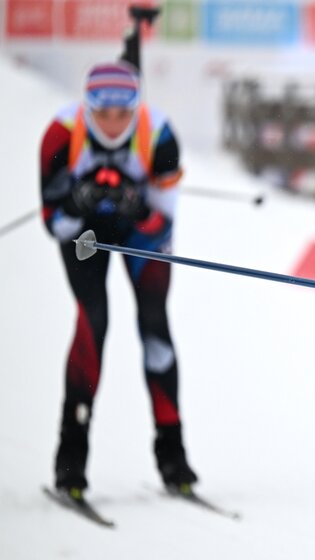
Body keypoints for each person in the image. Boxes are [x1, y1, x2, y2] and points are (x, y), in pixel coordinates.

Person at [39, 61, 198, 497]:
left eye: (123, 113)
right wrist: (76, 201)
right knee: (93, 321)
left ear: (136, 107)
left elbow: (162, 226)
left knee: (154, 325)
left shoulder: (160, 136)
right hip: (84, 235)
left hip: (138, 233)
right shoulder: (60, 134)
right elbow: (54, 224)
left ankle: (173, 454)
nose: (112, 123)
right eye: (102, 113)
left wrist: (137, 208)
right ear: (87, 108)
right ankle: (70, 458)